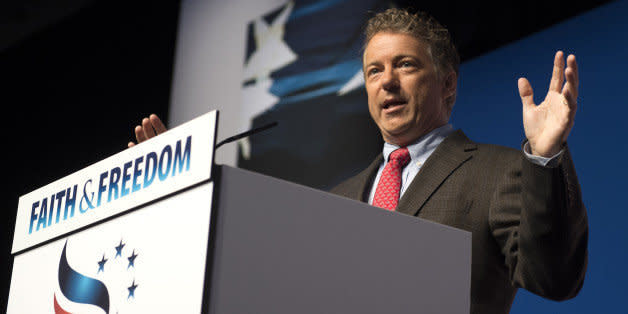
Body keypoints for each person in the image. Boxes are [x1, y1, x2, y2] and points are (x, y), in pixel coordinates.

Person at [129, 8, 587, 314]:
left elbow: (554, 277)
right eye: (374, 71)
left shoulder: (497, 171)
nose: (387, 82)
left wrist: (545, 156)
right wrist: (180, 185)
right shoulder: (338, 199)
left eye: (405, 65)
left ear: (447, 84)